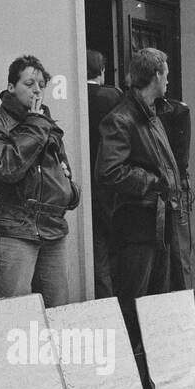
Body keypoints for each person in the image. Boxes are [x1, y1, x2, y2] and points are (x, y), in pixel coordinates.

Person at [0, 55, 80, 306]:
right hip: (15, 228)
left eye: (42, 85)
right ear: (11, 87)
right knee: (15, 315)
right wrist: (35, 125)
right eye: (29, 83)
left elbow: (62, 168)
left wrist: (71, 191)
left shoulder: (46, 124)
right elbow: (8, 168)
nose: (37, 90)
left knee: (58, 312)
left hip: (53, 228)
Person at [96, 47, 182, 350]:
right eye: (167, 74)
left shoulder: (153, 116)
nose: (169, 80)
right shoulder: (121, 118)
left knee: (156, 302)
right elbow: (109, 171)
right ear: (156, 75)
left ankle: (150, 368)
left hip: (159, 221)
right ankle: (131, 367)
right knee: (133, 302)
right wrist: (154, 183)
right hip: (136, 224)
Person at [159, 94, 195, 332]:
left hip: (173, 188)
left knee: (180, 252)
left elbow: (180, 159)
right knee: (173, 254)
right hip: (166, 188)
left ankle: (188, 311)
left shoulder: (177, 111)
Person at [86, 50, 121, 299]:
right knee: (115, 246)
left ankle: (104, 297)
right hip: (111, 182)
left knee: (97, 246)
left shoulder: (78, 97)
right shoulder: (111, 95)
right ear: (102, 71)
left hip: (85, 180)